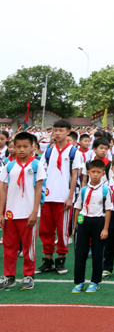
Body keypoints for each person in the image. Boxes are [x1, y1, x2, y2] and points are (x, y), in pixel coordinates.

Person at [0, 132, 46, 290]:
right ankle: (9, 276)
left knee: (28, 246)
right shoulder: (9, 166)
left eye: (25, 146)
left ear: (32, 147)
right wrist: (1, 212)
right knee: (9, 246)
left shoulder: (36, 165)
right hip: (10, 214)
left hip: (28, 214)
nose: (21, 150)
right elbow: (4, 190)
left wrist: (35, 212)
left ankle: (28, 275)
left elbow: (38, 189)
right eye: (18, 146)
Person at [38, 120, 84, 275]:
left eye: (60, 130)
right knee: (45, 229)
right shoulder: (48, 151)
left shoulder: (74, 152)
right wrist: (41, 197)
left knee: (62, 230)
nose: (57, 133)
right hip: (48, 197)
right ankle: (48, 260)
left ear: (68, 132)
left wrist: (70, 197)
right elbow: (42, 175)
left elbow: (74, 175)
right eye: (55, 130)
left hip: (63, 197)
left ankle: (61, 260)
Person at [71, 159, 113, 293]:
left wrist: (105, 229)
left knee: (97, 253)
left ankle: (95, 281)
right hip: (84, 222)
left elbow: (108, 210)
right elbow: (78, 207)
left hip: (98, 222)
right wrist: (74, 226)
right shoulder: (84, 190)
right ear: (88, 172)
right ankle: (79, 282)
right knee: (80, 253)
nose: (95, 175)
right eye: (93, 172)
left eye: (98, 172)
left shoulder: (106, 190)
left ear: (103, 173)